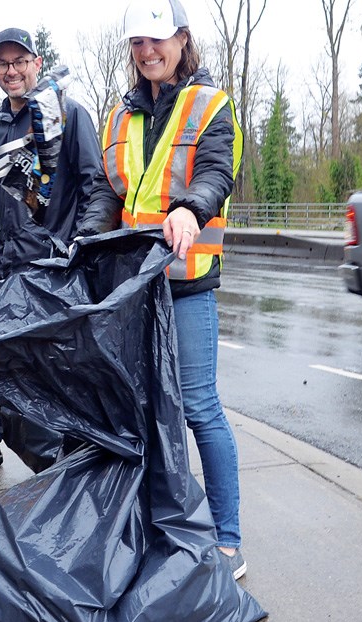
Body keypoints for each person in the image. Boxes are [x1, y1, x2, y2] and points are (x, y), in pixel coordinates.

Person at [76, 0, 247, 579]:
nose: (148, 52)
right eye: (137, 43)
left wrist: (191, 209)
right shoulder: (120, 117)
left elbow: (216, 173)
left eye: (157, 40)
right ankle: (160, 526)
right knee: (143, 414)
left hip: (186, 285)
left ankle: (227, 539)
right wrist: (86, 240)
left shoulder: (210, 105)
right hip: (134, 290)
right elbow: (106, 189)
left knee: (199, 409)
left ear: (180, 39)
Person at [0, 27, 102, 475]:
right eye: (2, 63)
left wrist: (78, 247)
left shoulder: (69, 116)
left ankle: (59, 466)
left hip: (52, 269)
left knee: (46, 373)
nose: (11, 71)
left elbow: (93, 185)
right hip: (6, 268)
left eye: (19, 61)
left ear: (37, 64)